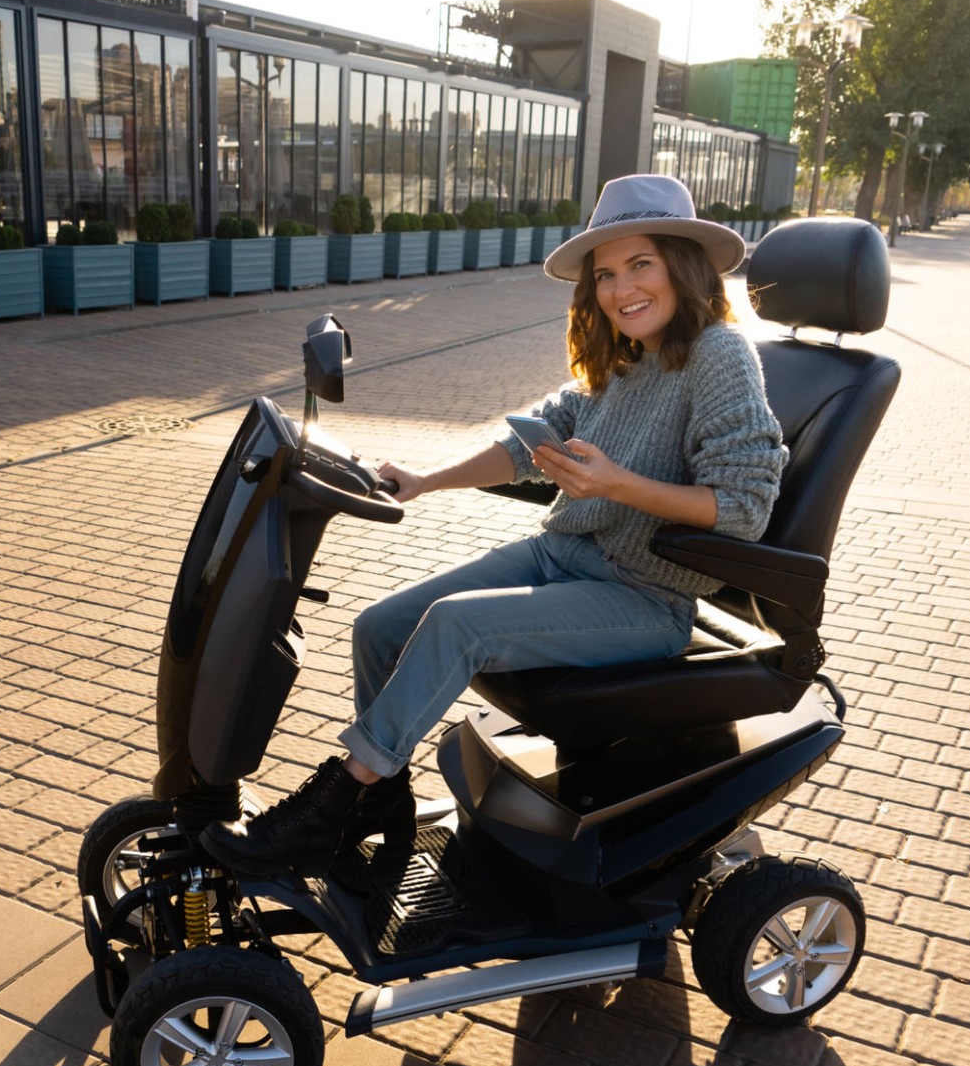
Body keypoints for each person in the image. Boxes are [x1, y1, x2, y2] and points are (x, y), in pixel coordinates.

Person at [202, 174, 787, 877]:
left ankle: (333, 803)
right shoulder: (622, 356)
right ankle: (381, 799)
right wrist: (425, 480)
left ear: (681, 265)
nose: (619, 288)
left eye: (641, 264)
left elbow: (745, 507)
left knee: (457, 624)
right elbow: (526, 446)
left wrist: (616, 484)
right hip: (558, 556)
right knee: (380, 627)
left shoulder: (720, 354)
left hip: (643, 596)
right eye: (605, 273)